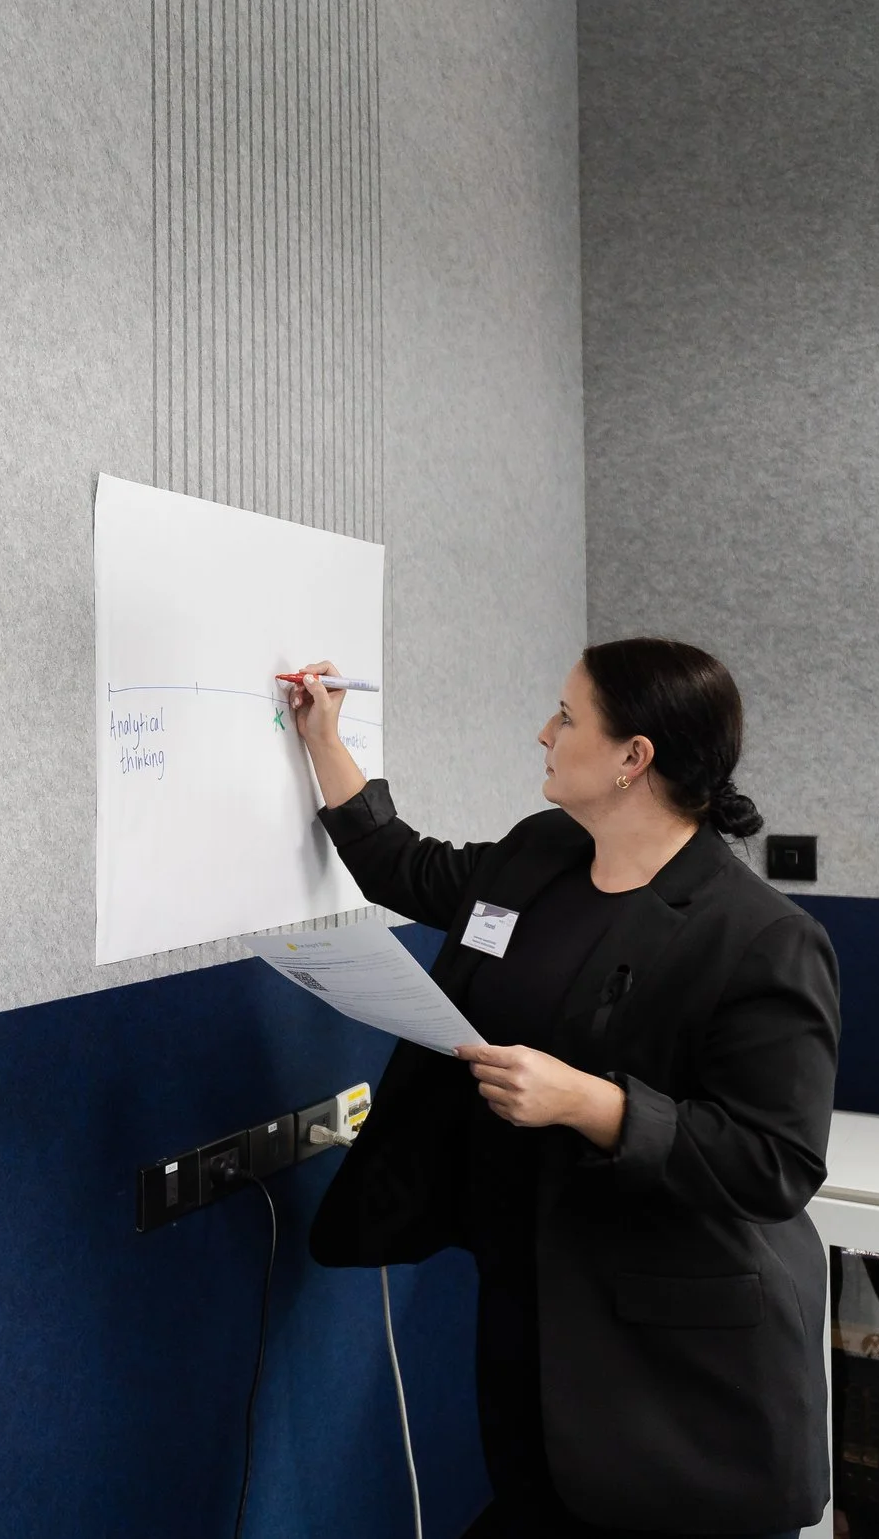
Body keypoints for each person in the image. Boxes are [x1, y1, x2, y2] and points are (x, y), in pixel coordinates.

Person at [287, 638, 839, 1539]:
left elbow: (774, 1162)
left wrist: (589, 1101)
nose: (544, 732)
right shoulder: (540, 855)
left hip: (671, 1358)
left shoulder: (760, 937)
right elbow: (404, 866)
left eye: (568, 716)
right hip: (529, 1289)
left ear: (634, 757)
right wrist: (323, 739)